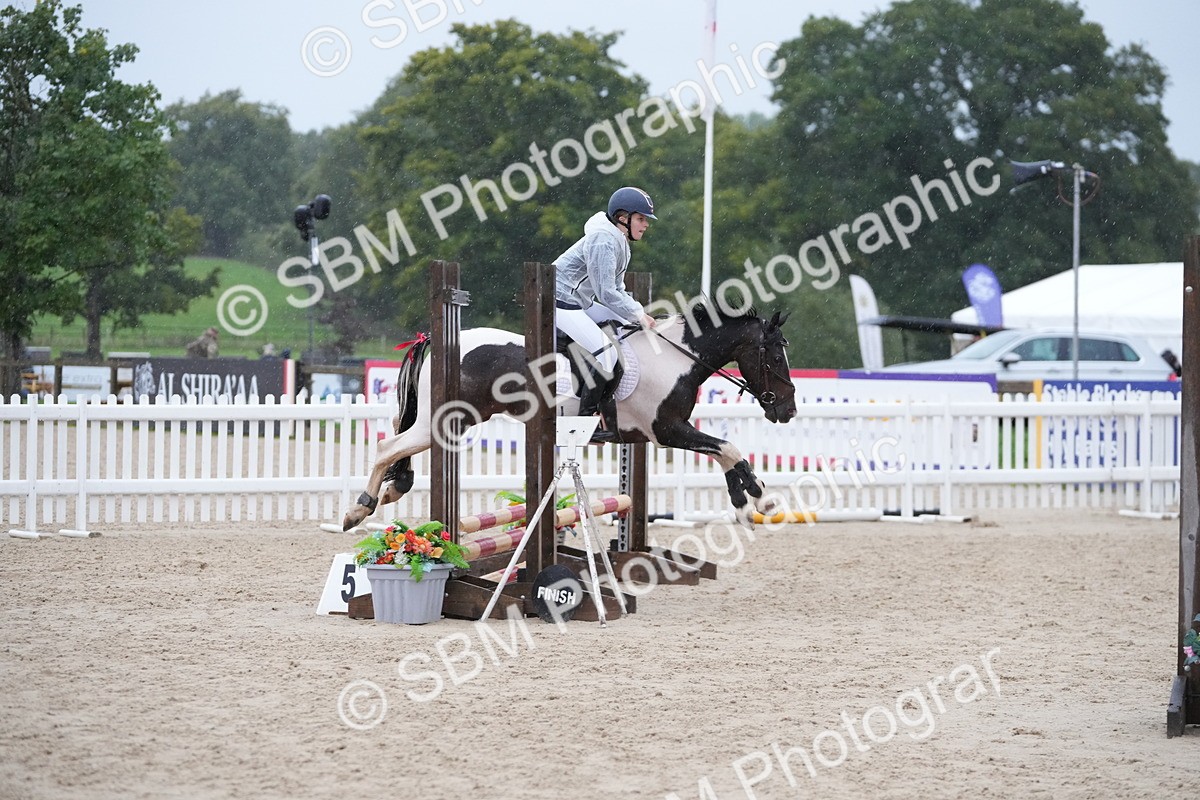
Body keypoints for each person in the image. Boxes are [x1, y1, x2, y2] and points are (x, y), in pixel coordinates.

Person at [553, 186, 658, 442]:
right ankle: (585, 423)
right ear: (624, 217)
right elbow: (607, 292)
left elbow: (618, 289)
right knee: (608, 354)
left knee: (625, 327)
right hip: (560, 300)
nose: (645, 225)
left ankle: (607, 411)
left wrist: (637, 317)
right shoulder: (603, 239)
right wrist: (637, 313)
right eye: (641, 219)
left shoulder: (620, 240)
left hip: (580, 301)